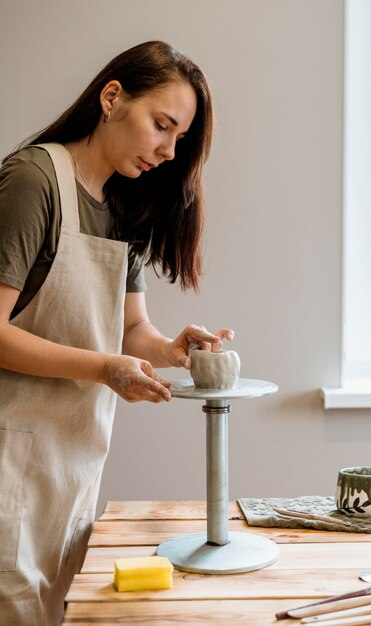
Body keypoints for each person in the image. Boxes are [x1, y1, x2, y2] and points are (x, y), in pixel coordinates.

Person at [0, 40, 233, 626]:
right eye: (162, 125)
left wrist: (171, 350)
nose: (168, 149)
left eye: (178, 139)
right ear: (111, 98)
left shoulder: (118, 205)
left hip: (68, 465)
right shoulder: (34, 182)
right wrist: (103, 369)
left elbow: (129, 329)